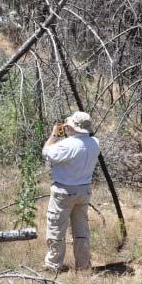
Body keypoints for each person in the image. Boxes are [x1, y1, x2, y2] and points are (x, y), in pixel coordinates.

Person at [42, 111, 100, 272]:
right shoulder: (95, 142)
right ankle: (83, 265)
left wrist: (55, 135)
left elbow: (46, 152)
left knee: (56, 229)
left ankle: (53, 265)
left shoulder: (67, 145)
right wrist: (68, 131)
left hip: (64, 192)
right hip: (84, 190)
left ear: (72, 127)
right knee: (81, 230)